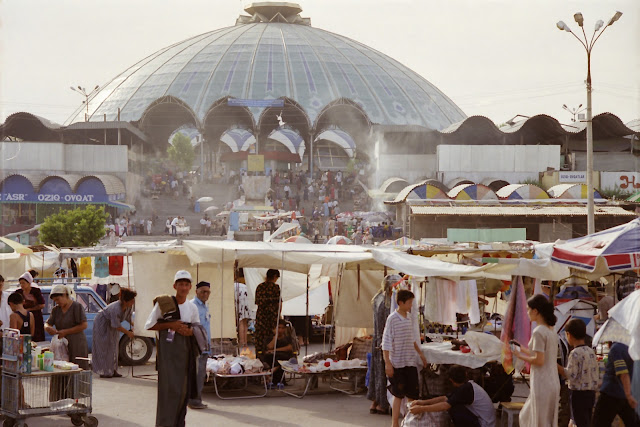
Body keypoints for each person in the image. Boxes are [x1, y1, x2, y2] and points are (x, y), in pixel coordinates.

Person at [145, 270, 200, 427]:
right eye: (180, 284)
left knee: (183, 391)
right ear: (174, 286)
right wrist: (171, 325)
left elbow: (197, 328)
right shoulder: (164, 303)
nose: (183, 288)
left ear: (190, 287)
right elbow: (149, 325)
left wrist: (189, 332)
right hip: (168, 352)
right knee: (168, 390)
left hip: (185, 351)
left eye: (186, 285)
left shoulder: (192, 308)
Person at [382, 289, 428, 427]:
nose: (410, 306)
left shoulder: (409, 318)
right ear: (400, 303)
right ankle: (394, 422)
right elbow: (386, 342)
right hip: (397, 363)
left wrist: (420, 354)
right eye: (409, 303)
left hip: (410, 362)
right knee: (398, 394)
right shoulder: (392, 319)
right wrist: (388, 364)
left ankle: (409, 422)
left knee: (412, 394)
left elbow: (412, 339)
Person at [513, 294, 560, 427]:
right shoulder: (551, 330)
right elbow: (538, 353)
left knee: (537, 421)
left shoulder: (539, 331)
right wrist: (521, 348)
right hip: (551, 381)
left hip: (543, 381)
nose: (527, 313)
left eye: (528, 310)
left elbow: (539, 360)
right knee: (530, 417)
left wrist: (519, 355)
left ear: (535, 311)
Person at [409, 365, 496, 427]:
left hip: (484, 424)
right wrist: (422, 402)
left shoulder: (465, 389)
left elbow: (445, 405)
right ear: (465, 374)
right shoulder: (466, 385)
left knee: (453, 408)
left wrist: (421, 409)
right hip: (484, 420)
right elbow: (445, 398)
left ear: (451, 380)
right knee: (452, 405)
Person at [557, 318, 598, 427]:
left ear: (568, 335)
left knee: (579, 421)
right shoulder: (590, 351)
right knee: (585, 420)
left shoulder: (574, 353)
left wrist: (556, 366)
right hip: (590, 393)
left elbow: (570, 374)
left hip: (578, 394)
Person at [367, 274, 399, 415]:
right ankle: (382, 404)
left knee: (376, 372)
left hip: (377, 340)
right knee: (383, 373)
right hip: (384, 341)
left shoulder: (378, 297)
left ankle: (375, 402)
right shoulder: (388, 301)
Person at [92, 288, 137, 378]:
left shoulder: (128, 307)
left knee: (114, 346)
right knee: (104, 347)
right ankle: (105, 371)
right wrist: (128, 333)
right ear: (125, 301)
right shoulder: (115, 308)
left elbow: (128, 317)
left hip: (112, 324)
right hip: (102, 323)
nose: (133, 302)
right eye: (131, 300)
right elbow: (116, 325)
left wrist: (135, 326)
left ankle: (113, 369)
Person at [592, 341, 639, 426]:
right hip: (624, 393)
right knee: (633, 422)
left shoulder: (616, 348)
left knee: (599, 423)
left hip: (610, 393)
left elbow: (623, 372)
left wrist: (629, 395)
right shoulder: (629, 348)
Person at [44, 284, 89, 369]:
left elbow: (84, 325)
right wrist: (48, 328)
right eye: (55, 301)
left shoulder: (77, 307)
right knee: (61, 367)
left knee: (77, 368)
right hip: (61, 345)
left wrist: (66, 332)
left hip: (76, 343)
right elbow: (47, 323)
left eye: (58, 299)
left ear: (65, 295)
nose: (57, 302)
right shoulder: (56, 310)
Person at [188, 281, 211, 410]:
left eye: (207, 292)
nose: (205, 294)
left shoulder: (205, 306)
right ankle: (194, 400)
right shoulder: (192, 306)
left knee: (200, 373)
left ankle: (196, 399)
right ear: (196, 291)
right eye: (202, 291)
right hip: (197, 346)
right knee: (196, 374)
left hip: (204, 346)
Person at [254, 269, 281, 358]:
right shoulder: (275, 287)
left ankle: (259, 357)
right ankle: (270, 357)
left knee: (260, 337)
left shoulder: (260, 287)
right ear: (274, 277)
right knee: (271, 337)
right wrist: (278, 316)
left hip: (261, 316)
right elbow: (279, 303)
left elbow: (257, 302)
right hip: (272, 316)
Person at [15, 272, 45, 341]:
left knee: (36, 335)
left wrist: (30, 309)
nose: (22, 285)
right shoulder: (18, 292)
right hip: (23, 317)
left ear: (29, 283)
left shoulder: (36, 291)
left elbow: (42, 305)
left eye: (23, 283)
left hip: (36, 317)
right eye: (20, 283)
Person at [234, 269, 251, 348]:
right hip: (246, 304)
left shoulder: (233, 286)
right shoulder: (245, 286)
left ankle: (241, 342)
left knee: (240, 322)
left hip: (238, 303)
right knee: (244, 322)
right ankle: (245, 342)